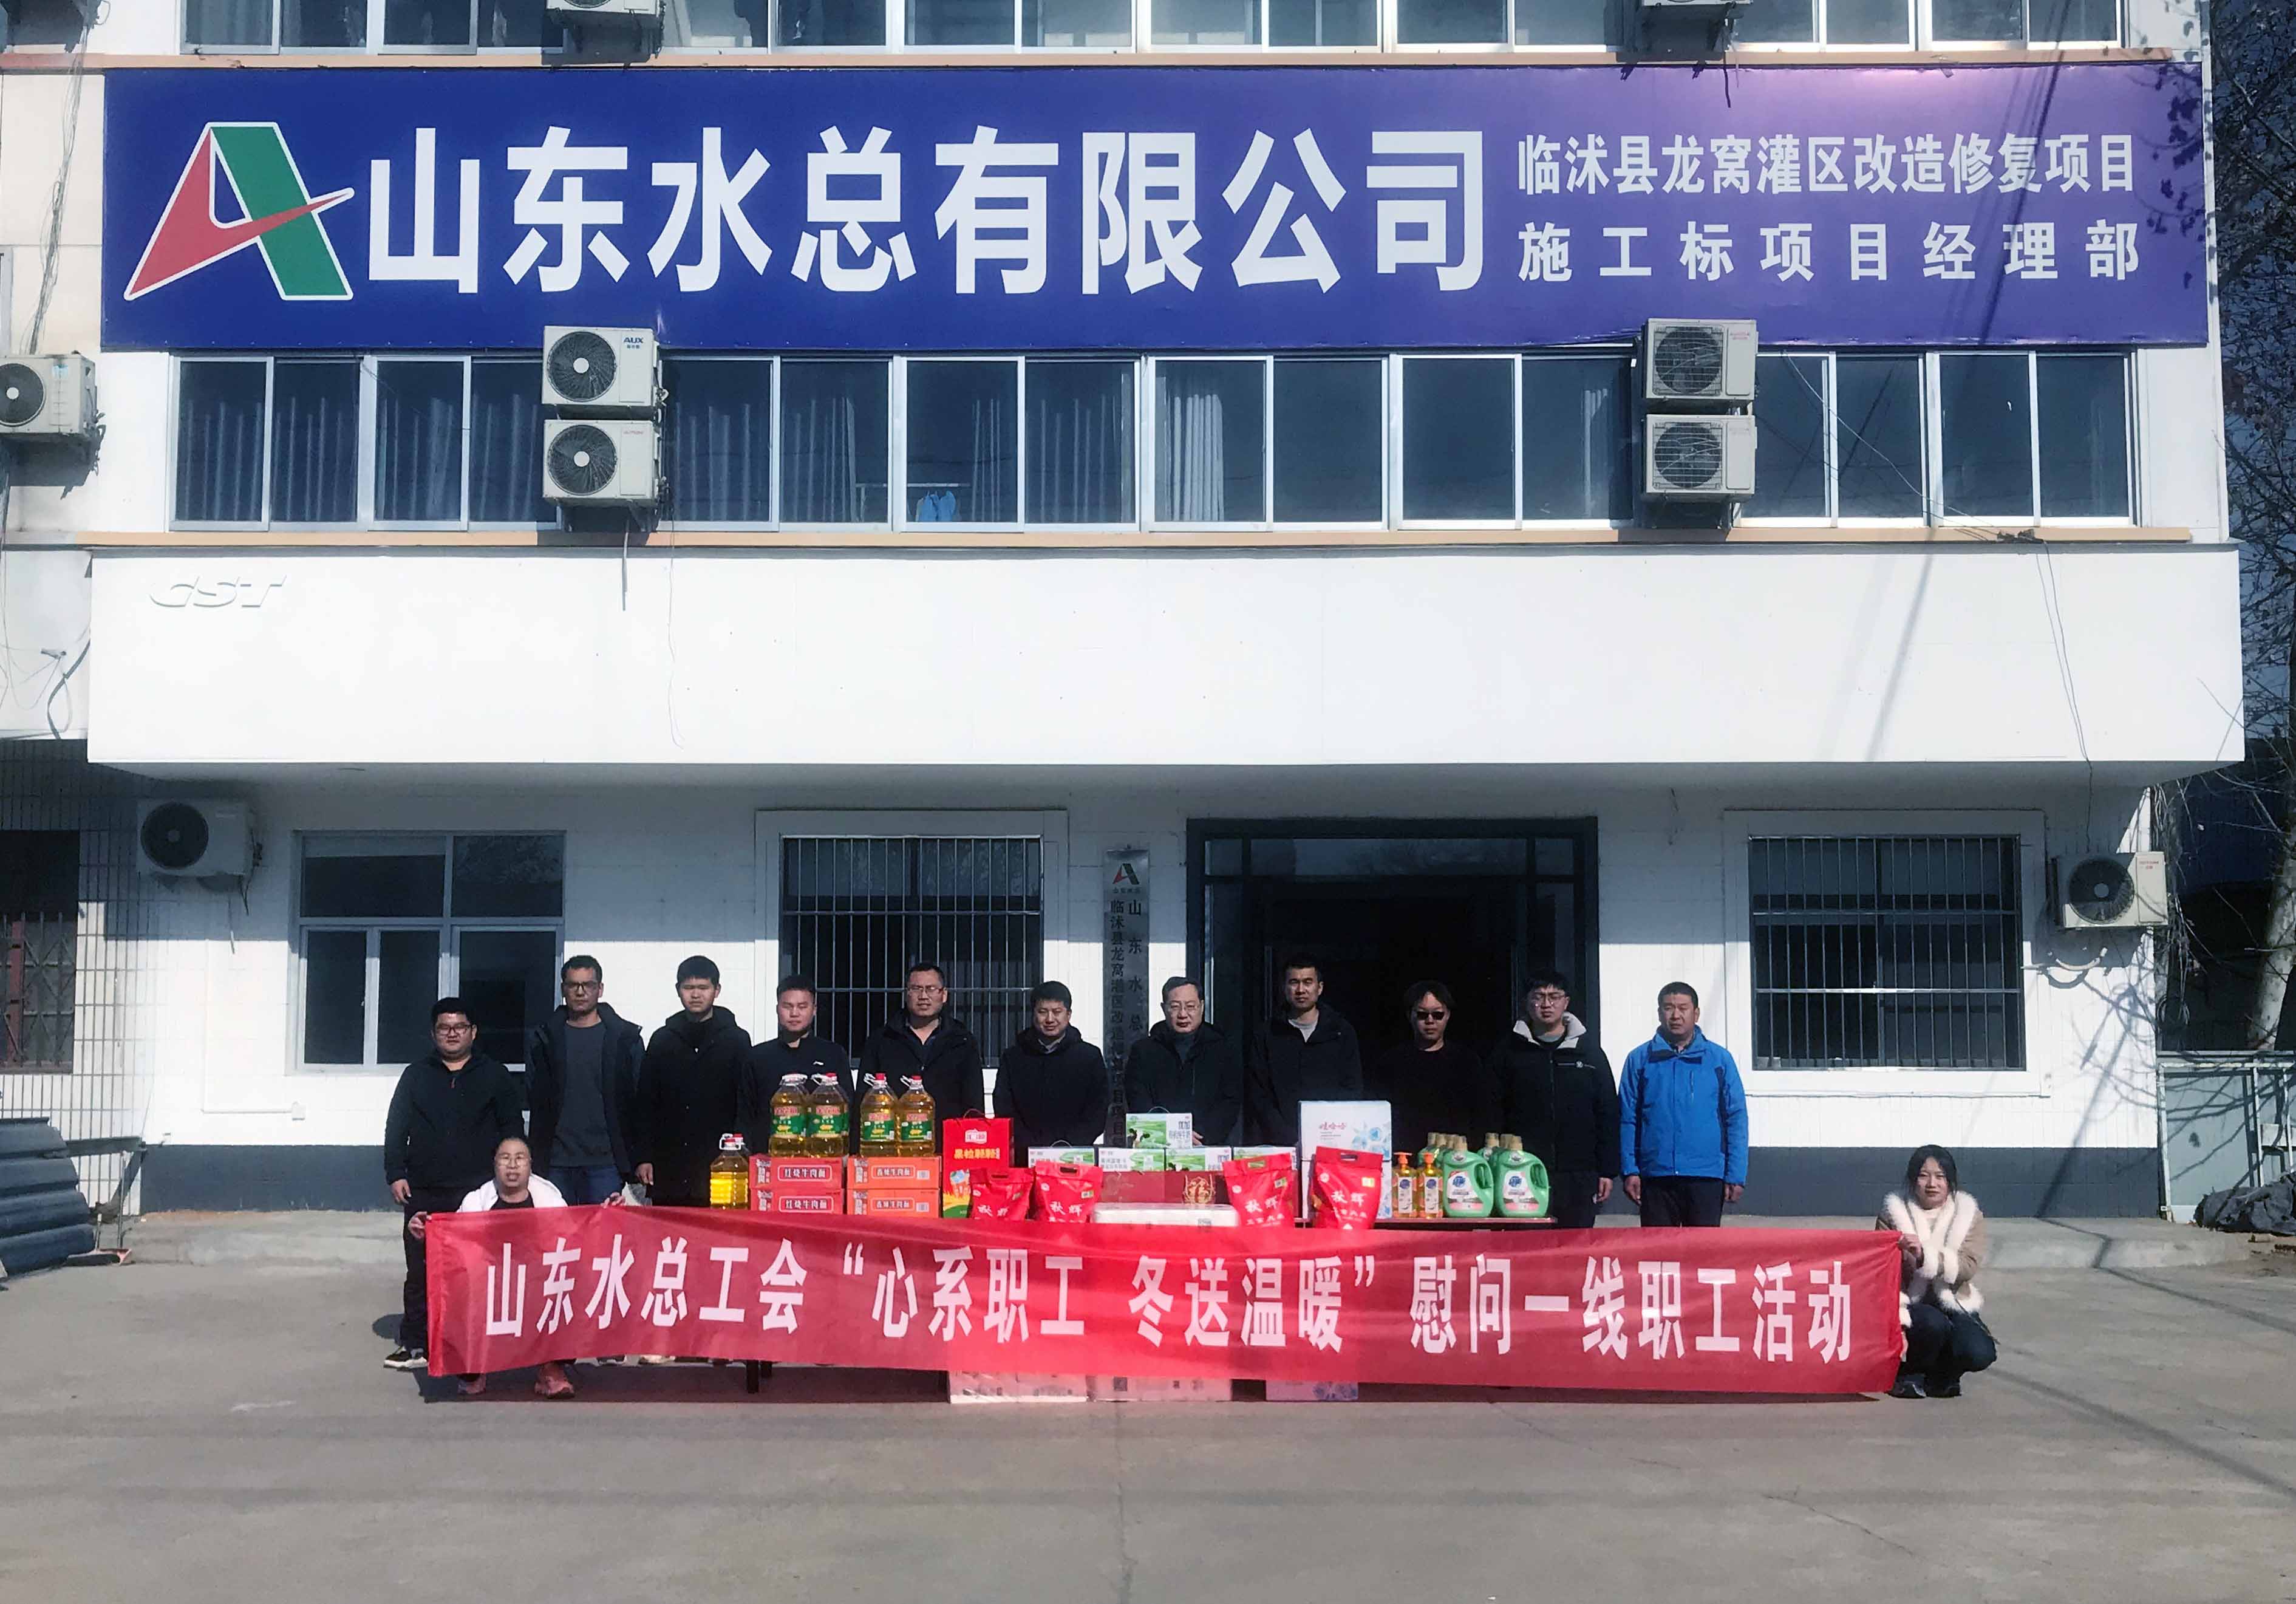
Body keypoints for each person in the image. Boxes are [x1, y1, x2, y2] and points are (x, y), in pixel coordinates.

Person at [380, 997, 522, 1371]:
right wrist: (396, 1173)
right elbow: (396, 1127)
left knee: (478, 1269)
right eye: (445, 1028)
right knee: (422, 1270)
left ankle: (483, 1340)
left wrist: (511, 1177)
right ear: (433, 1034)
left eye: (460, 1027)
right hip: (425, 1189)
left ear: (473, 1032)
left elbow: (512, 1129)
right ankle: (416, 1343)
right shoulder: (416, 1075)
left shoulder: (495, 1075)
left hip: (479, 1192)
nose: (453, 1033)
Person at [407, 1134, 582, 1398]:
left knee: (566, 1287)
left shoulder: (550, 1200)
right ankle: (473, 1369)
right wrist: (428, 1235)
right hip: (491, 1286)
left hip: (536, 1285)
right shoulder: (476, 1202)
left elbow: (579, 1241)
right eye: (505, 1158)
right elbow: (452, 1247)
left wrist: (607, 1215)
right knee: (459, 1289)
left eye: (520, 1158)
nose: (512, 1165)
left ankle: (551, 1369)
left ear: (530, 1165)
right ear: (495, 1165)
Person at [1489, 971, 1620, 1230]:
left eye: (1554, 997)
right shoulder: (1508, 1051)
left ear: (1566, 1002)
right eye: (1539, 997)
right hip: (1521, 1170)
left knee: (1575, 1245)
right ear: (1527, 1002)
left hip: (1578, 1173)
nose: (1546, 1004)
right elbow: (1493, 1109)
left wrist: (1608, 1170)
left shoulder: (1589, 1052)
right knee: (1527, 1246)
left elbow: (1607, 1111)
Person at [1617, 981, 1748, 1228]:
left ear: (1696, 1014)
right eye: (1668, 1008)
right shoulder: (1640, 1060)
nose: (1675, 1015)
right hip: (1656, 1175)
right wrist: (1630, 1170)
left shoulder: (1719, 1060)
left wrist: (1736, 1173)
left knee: (1702, 1250)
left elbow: (1736, 1118)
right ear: (1659, 1013)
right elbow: (1627, 1117)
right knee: (1657, 1250)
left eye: (1683, 1008)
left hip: (1706, 1176)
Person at [523, 954, 644, 1206]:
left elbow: (639, 1098)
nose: (580, 992)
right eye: (573, 985)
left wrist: (639, 1156)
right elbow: (534, 1094)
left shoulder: (625, 1038)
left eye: (588, 985)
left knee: (601, 1228)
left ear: (600, 989)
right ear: (563, 990)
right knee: (557, 1229)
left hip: (606, 1161)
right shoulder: (544, 1039)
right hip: (555, 1161)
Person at [634, 956, 752, 1208]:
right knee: (669, 1230)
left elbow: (745, 1102)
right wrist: (644, 1157)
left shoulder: (736, 1040)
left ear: (717, 990)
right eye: (688, 988)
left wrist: (741, 1152)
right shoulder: (662, 1040)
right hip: (670, 1161)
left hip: (721, 1158)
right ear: (678, 990)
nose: (696, 995)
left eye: (703, 988)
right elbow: (645, 1102)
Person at [1881, 1144, 1997, 1399]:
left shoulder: (1969, 1214)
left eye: (1940, 1176)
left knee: (1980, 1352)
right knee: (1932, 1325)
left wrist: (1926, 1257)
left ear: (1950, 1181)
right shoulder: (1893, 1213)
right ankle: (1909, 1374)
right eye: (1924, 1176)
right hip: (1911, 1301)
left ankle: (1943, 1377)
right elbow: (1884, 1268)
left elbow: (1968, 1265)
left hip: (1953, 1300)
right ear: (1913, 1179)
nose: (1932, 1184)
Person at [1243, 954, 1362, 1147]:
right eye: (1294, 982)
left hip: (1331, 1139)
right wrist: (1285, 1135)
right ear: (1284, 988)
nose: (1301, 990)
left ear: (1319, 988)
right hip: (1278, 1142)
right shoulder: (1267, 1033)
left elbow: (1352, 1088)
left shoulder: (1341, 1032)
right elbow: (1258, 1092)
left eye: (1308, 982)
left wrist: (1328, 1131)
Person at [1369, 980, 1499, 1156]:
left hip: (1456, 1160)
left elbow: (1482, 1116)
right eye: (1422, 1015)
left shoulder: (1467, 1061)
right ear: (1410, 1015)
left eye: (1437, 1015)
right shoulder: (1390, 1063)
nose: (1430, 1021)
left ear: (1448, 1015)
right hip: (1405, 1161)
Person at [856, 960, 985, 1128]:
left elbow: (974, 1104)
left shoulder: (962, 1041)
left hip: (948, 1138)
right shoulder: (882, 1040)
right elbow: (864, 1099)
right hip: (894, 1138)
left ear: (944, 995)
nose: (924, 996)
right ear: (906, 994)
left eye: (931, 989)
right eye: (916, 989)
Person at [741, 972, 855, 1153]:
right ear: (777, 1009)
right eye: (788, 1006)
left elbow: (849, 1111)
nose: (794, 1013)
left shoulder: (833, 1055)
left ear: (814, 1009)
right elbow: (745, 1117)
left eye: (802, 1007)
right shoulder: (758, 1057)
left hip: (822, 1157)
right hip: (770, 1157)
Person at [1121, 976, 1243, 1145]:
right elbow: (1138, 1100)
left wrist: (1202, 1137)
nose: (1183, 1014)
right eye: (1175, 1007)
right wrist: (1174, 1134)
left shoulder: (1223, 1050)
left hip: (1208, 1146)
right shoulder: (1143, 1051)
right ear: (1164, 1009)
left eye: (1190, 1006)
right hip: (1157, 1145)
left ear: (1202, 1007)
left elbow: (1229, 1102)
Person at [996, 981, 1112, 1157]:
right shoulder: (1013, 1057)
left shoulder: (1089, 1056)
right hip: (1025, 1155)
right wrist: (1029, 1146)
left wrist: (1069, 1145)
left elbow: (1098, 1108)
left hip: (1075, 1155)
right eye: (1043, 1012)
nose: (1050, 1019)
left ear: (1069, 1014)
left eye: (1057, 1012)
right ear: (1033, 1013)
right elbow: (1004, 1106)